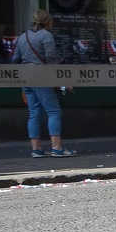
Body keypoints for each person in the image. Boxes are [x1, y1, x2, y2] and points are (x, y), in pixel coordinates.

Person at [12, 9, 75, 158]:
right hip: (41, 77)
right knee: (54, 111)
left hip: (26, 77)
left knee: (34, 113)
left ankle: (36, 149)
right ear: (48, 22)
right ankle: (57, 148)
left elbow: (15, 58)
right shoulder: (47, 36)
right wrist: (62, 79)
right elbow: (51, 58)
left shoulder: (22, 36)